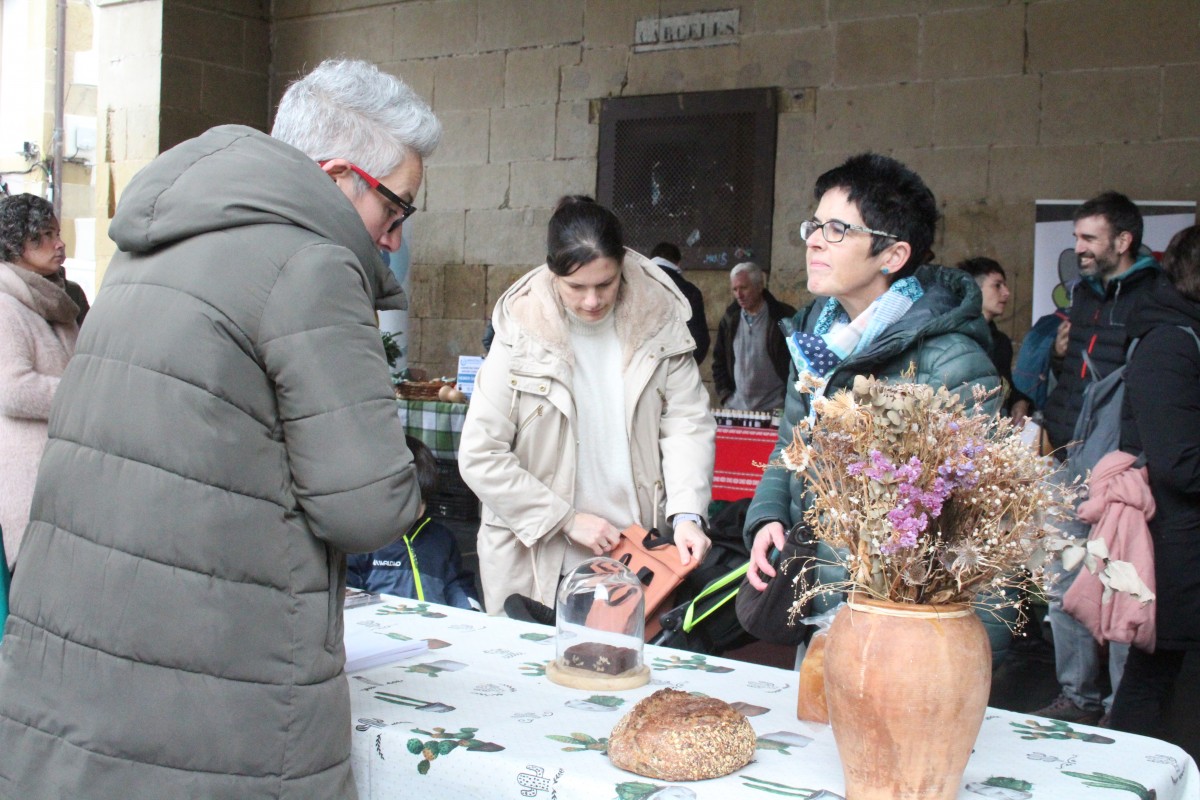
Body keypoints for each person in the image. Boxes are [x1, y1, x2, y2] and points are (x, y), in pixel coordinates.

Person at [0, 59, 440, 799]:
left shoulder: (152, 242)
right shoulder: (313, 261)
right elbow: (365, 506)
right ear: (338, 176)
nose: (393, 239)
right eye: (396, 208)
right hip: (211, 699)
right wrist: (413, 473)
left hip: (80, 681)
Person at [740, 153, 1004, 650]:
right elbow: (791, 447)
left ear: (892, 256)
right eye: (815, 225)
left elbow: (977, 529)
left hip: (900, 626)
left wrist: (964, 656)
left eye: (837, 229)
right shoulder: (815, 340)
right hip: (817, 605)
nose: (814, 240)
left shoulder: (950, 363)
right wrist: (769, 515)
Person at [458, 196, 715, 614]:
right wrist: (565, 519)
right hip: (538, 558)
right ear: (551, 271)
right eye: (576, 287)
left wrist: (687, 514)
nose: (592, 301)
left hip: (639, 555)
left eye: (606, 284)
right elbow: (480, 455)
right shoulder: (519, 330)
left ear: (623, 268)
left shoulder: (660, 318)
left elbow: (687, 423)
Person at [1034, 191, 1160, 726]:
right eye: (1076, 237)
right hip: (1068, 457)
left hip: (1121, 469)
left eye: (1089, 238)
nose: (1078, 248)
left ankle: (1118, 707)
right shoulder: (1082, 296)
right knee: (1062, 581)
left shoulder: (1155, 296)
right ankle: (1077, 695)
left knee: (1120, 582)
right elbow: (1071, 374)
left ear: (1123, 241)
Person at [1109, 224, 1200, 742]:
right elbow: (1180, 463)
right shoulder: (1170, 342)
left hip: (1183, 548)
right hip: (1176, 552)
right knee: (1155, 691)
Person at [0, 193, 79, 569]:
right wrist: (83, 393)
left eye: (57, 233)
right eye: (44, 235)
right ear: (16, 245)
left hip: (64, 469)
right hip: (30, 480)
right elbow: (12, 389)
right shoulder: (5, 305)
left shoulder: (58, 300)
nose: (59, 243)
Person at [347, 435, 480, 610]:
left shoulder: (441, 539)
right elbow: (349, 595)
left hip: (435, 630)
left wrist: (470, 612)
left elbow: (456, 584)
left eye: (422, 500)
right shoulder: (362, 542)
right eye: (406, 501)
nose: (415, 508)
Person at [712, 261, 796, 410]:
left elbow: (798, 362)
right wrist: (725, 395)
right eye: (735, 289)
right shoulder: (730, 319)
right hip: (736, 407)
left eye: (744, 288)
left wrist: (789, 397)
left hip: (776, 407)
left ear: (759, 286)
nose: (739, 295)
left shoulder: (783, 317)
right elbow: (719, 361)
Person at [957, 256, 1032, 422]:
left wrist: (1019, 400)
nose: (1006, 292)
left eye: (1005, 285)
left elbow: (1004, 386)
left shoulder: (1001, 342)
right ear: (974, 289)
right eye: (997, 285)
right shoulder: (954, 337)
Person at [648, 241, 710, 363]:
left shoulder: (633, 284)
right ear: (678, 263)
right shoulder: (689, 291)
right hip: (676, 370)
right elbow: (700, 340)